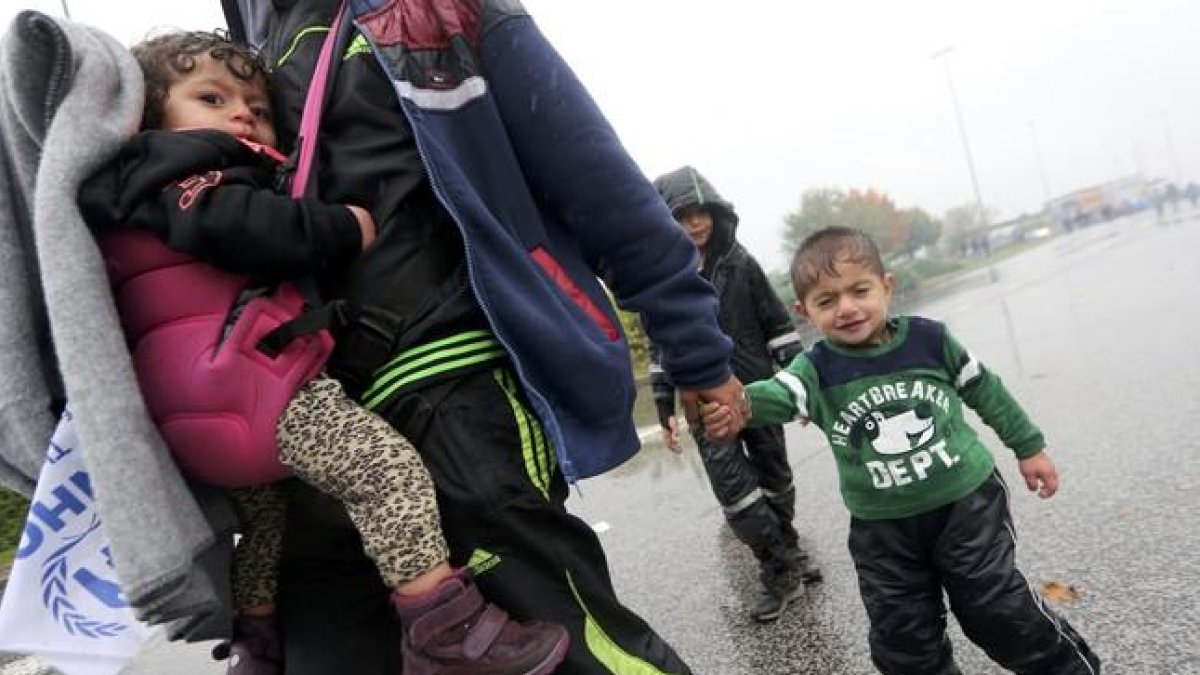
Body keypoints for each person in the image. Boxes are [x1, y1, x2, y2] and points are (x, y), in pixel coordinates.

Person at [211, 2, 751, 673]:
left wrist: (695, 350)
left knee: (563, 654)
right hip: (304, 429)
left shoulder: (427, 10)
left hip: (454, 390)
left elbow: (599, 182)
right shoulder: (236, 54)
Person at [79, 30, 570, 675]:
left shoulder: (122, 197)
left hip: (186, 416)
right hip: (252, 388)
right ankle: (442, 629)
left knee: (264, 527)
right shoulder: (188, 168)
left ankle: (258, 643)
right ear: (147, 112)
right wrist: (342, 225)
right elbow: (239, 226)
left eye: (256, 106)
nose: (241, 114)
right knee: (384, 474)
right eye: (211, 96)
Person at [704, 227, 1101, 674]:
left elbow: (987, 391)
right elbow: (775, 395)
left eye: (860, 290)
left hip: (966, 506)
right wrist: (736, 407)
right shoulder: (814, 370)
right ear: (805, 312)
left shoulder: (930, 341)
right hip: (882, 532)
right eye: (827, 300)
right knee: (903, 640)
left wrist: (1029, 448)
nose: (847, 308)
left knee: (994, 610)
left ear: (886, 287)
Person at [647, 166, 819, 623]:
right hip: (701, 403)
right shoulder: (661, 282)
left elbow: (778, 325)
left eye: (701, 213)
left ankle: (791, 554)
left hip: (757, 392)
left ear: (715, 214)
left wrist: (798, 384)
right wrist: (664, 406)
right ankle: (779, 566)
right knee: (736, 495)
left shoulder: (742, 263)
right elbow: (659, 348)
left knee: (775, 477)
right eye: (682, 217)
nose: (695, 224)